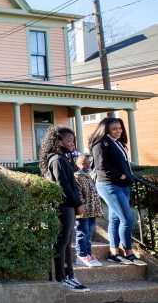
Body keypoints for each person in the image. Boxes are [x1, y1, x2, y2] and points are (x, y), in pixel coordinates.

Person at [88, 117, 146, 265]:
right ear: (106, 129)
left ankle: (114, 253)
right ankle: (129, 253)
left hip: (123, 186)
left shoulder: (118, 143)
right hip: (109, 186)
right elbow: (102, 167)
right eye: (114, 129)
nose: (118, 131)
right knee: (127, 218)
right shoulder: (100, 144)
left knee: (115, 219)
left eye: (120, 128)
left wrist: (127, 177)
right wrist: (121, 175)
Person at [39, 126, 88, 291]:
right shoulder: (57, 160)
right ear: (58, 141)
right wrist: (77, 203)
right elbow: (63, 186)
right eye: (69, 140)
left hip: (68, 206)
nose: (72, 143)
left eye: (73, 140)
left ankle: (70, 275)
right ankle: (61, 278)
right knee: (62, 241)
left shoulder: (62, 158)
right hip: (63, 206)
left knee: (67, 242)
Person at [73, 153, 103, 268]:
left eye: (88, 162)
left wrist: (97, 209)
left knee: (88, 234)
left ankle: (88, 254)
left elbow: (94, 194)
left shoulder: (89, 176)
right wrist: (80, 207)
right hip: (83, 212)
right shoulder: (77, 177)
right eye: (83, 163)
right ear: (78, 164)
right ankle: (81, 255)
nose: (87, 165)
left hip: (92, 212)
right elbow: (79, 194)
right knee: (82, 233)